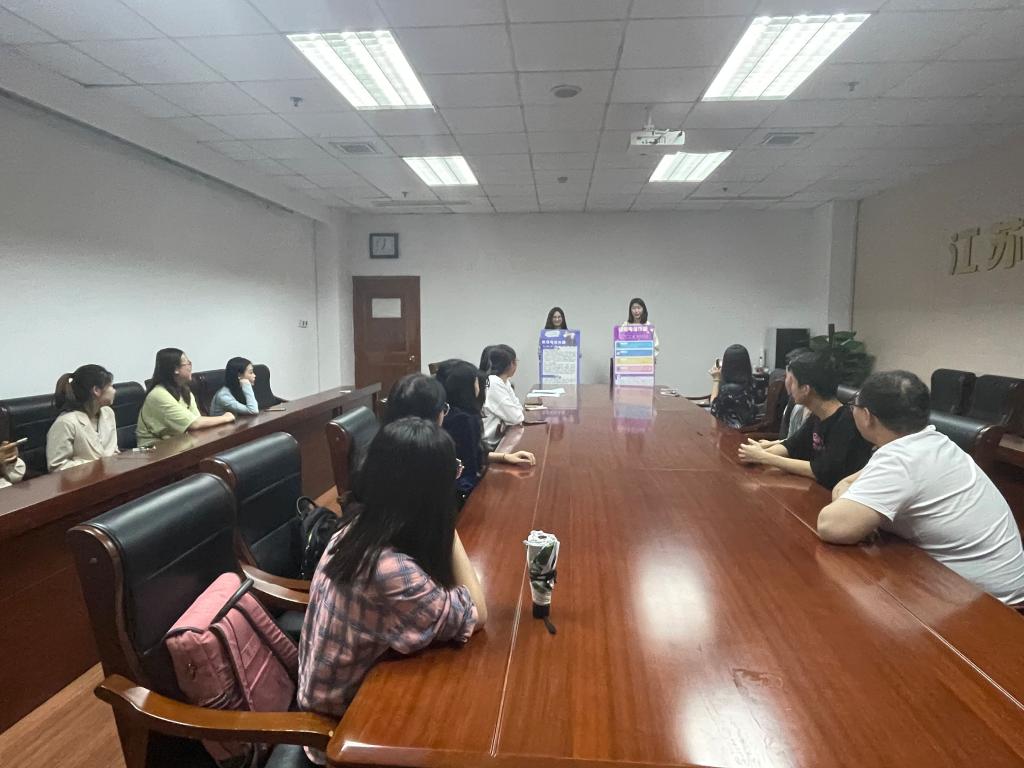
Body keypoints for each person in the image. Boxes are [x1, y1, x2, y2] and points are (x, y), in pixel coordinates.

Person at [298, 418, 487, 763]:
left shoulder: (357, 526)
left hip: (339, 697)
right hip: (339, 732)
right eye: (452, 473)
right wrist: (446, 522)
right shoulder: (391, 571)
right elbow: (477, 613)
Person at [818, 371, 1024, 607]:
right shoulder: (930, 442)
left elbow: (831, 525)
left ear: (867, 416)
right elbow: (847, 486)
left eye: (854, 405)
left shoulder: (903, 459)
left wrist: (853, 509)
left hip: (994, 608)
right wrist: (853, 505)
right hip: (982, 588)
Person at [737, 350, 872, 489]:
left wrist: (764, 457)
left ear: (805, 389)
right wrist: (753, 454)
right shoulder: (817, 416)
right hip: (814, 487)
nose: (789, 389)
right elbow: (791, 445)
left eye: (792, 383)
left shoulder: (846, 423)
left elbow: (820, 471)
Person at [435, 359, 535, 500]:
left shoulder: (443, 411)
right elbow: (470, 466)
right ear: (466, 387)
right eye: (475, 381)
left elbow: (470, 454)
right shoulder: (465, 419)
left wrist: (504, 457)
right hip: (460, 493)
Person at [136, 348, 235, 447]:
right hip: (154, 448)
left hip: (179, 442)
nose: (190, 367)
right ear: (175, 369)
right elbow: (194, 424)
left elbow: (197, 419)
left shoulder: (184, 390)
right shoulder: (158, 394)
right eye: (188, 363)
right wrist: (225, 418)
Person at [46, 364, 119, 471]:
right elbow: (57, 467)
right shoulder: (66, 422)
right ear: (96, 390)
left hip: (111, 475)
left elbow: (113, 451)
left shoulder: (108, 413)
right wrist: (96, 466)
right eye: (111, 386)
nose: (114, 391)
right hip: (83, 479)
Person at [482, 345, 525, 450]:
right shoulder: (493, 382)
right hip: (488, 445)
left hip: (498, 438)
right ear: (510, 364)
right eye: (515, 361)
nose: (516, 365)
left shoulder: (504, 381)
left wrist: (517, 413)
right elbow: (516, 417)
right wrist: (517, 413)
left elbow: (518, 409)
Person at [707, 344, 758, 428]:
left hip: (730, 431)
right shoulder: (753, 382)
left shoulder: (728, 390)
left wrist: (716, 379)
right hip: (748, 427)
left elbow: (713, 409)